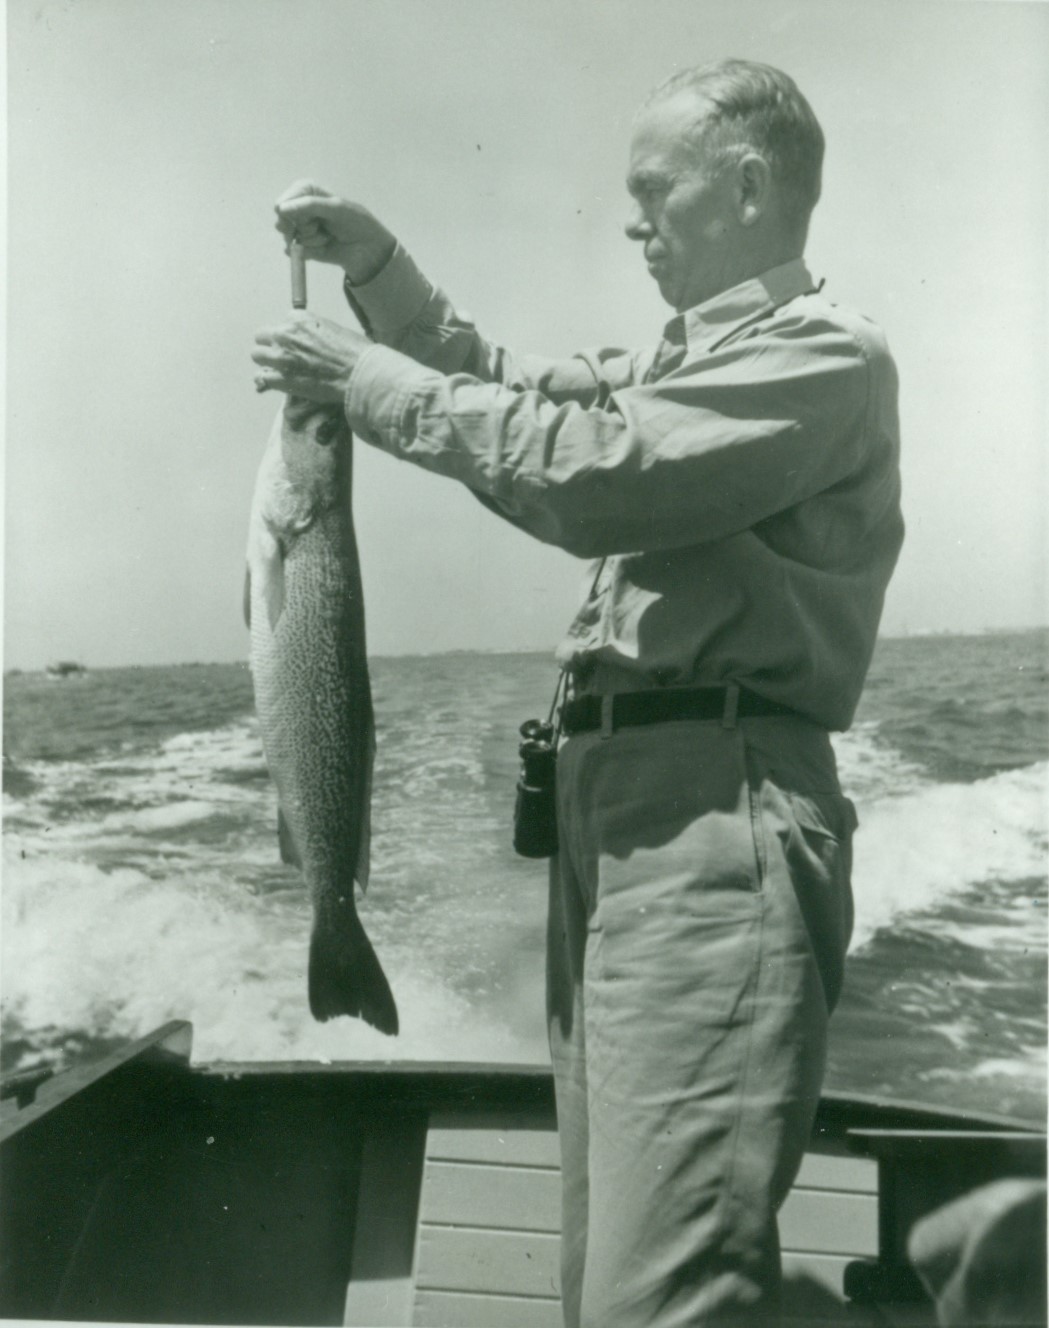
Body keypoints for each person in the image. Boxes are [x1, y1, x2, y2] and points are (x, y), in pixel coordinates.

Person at [252, 59, 903, 1326]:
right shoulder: (673, 364)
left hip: (713, 830)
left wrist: (361, 387)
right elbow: (492, 379)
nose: (631, 219)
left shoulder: (821, 358)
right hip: (611, 838)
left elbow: (590, 471)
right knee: (598, 1277)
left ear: (749, 186)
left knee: (655, 1296)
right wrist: (378, 270)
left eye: (652, 191)